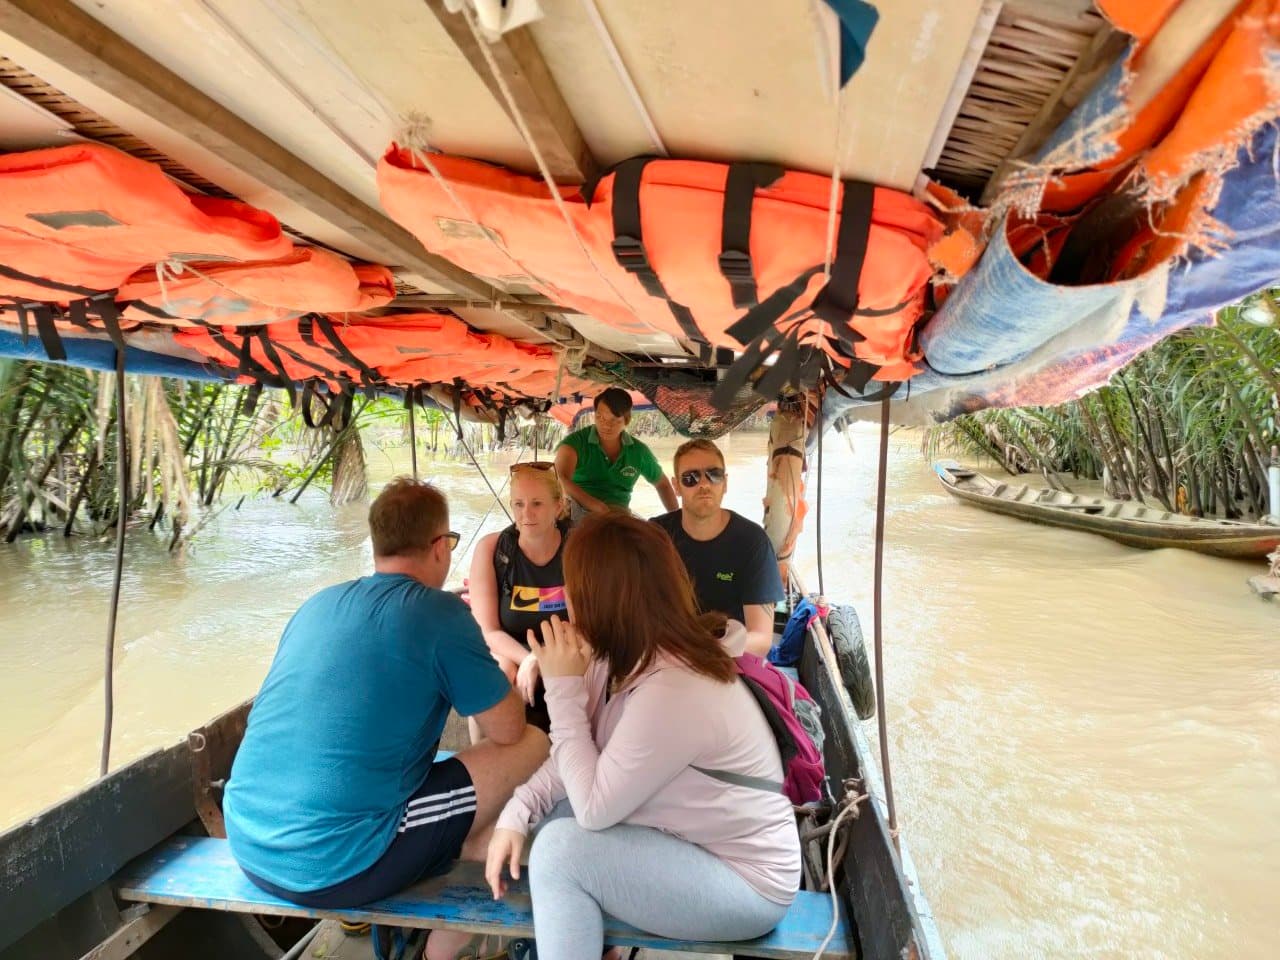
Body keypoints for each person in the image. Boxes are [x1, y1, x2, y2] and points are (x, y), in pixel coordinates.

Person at [223, 479, 548, 960]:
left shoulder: (316, 605)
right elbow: (508, 731)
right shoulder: (438, 613)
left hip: (248, 839)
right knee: (534, 744)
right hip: (335, 862)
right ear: (440, 547)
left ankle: (450, 918)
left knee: (464, 791)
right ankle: (444, 940)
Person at [484, 513, 800, 960]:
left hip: (745, 880)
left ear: (600, 598)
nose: (564, 601)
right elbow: (574, 762)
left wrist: (562, 689)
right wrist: (517, 812)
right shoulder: (615, 654)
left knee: (559, 851)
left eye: (570, 586)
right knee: (553, 814)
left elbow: (593, 809)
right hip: (682, 840)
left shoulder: (677, 684)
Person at [651, 439, 785, 656]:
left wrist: (701, 652)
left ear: (725, 483)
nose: (704, 484)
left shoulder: (752, 542)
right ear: (676, 486)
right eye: (691, 478)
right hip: (666, 653)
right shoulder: (655, 535)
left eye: (714, 475)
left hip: (728, 659)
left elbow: (760, 640)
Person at [468, 461, 569, 733]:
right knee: (494, 677)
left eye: (537, 504)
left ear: (558, 507)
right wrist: (526, 659)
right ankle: (491, 766)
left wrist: (541, 658)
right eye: (519, 504)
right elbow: (487, 630)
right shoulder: (492, 549)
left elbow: (584, 623)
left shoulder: (576, 548)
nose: (527, 514)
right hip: (508, 649)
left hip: (565, 647)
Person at [555, 388, 678, 521]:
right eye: (600, 417)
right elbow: (559, 479)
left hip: (619, 515)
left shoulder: (638, 451)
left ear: (626, 420)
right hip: (578, 512)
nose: (606, 425)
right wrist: (599, 508)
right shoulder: (574, 444)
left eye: (615, 420)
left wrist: (677, 520)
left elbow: (663, 485)